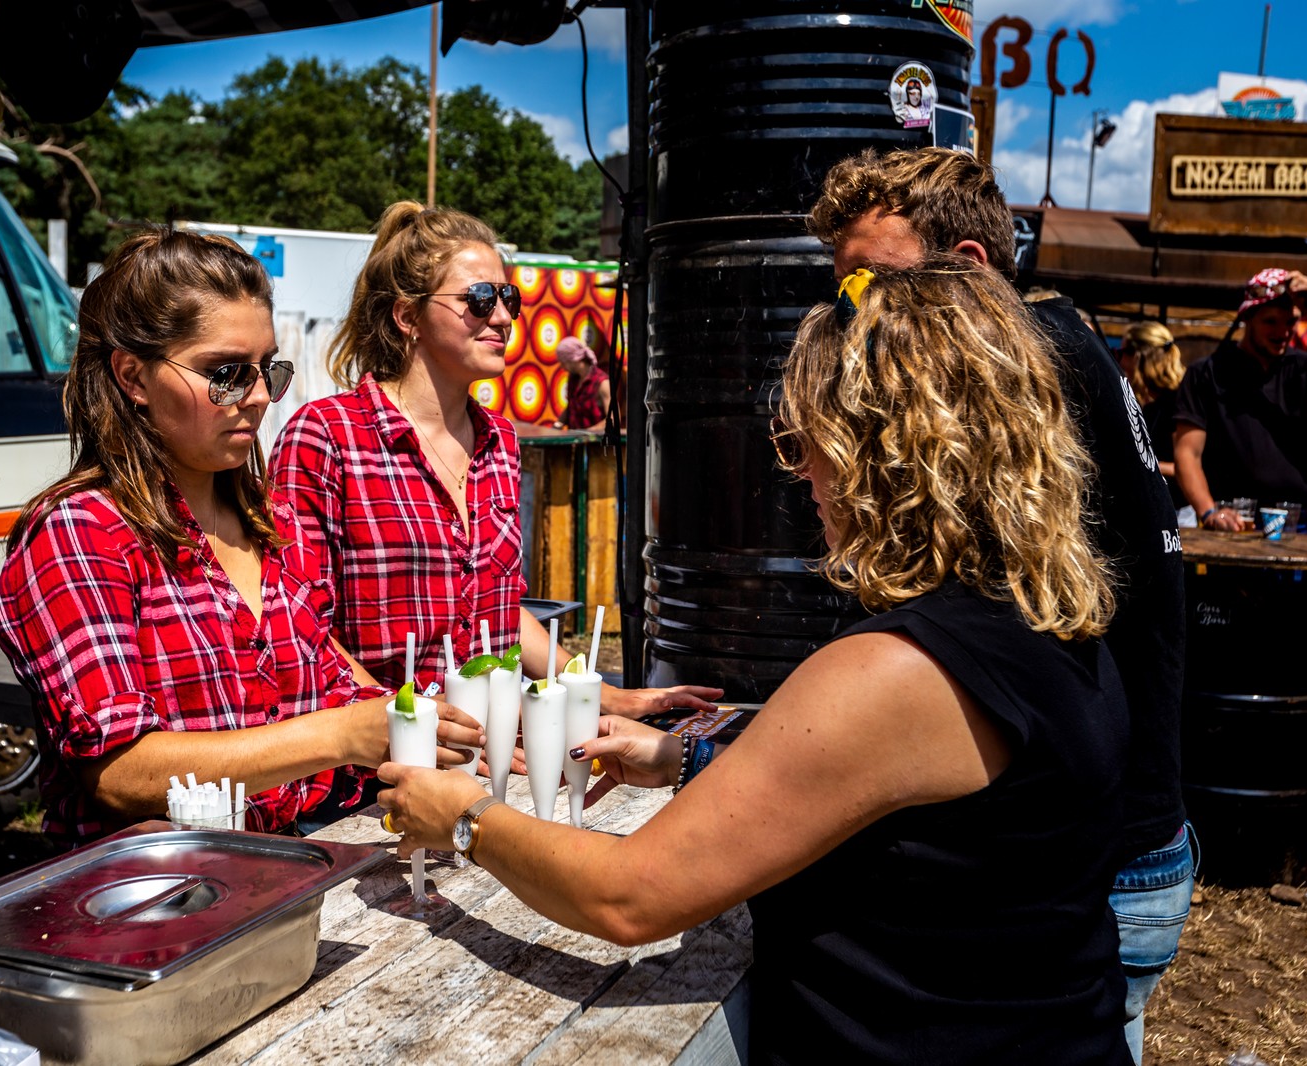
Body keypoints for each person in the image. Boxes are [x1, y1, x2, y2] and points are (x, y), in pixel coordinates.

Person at [379, 261, 1133, 1064]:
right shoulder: (1045, 615)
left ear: (883, 449)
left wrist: (461, 816)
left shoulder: (899, 668)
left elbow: (627, 894)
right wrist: (686, 758)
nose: (799, 469)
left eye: (806, 439)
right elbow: (908, 823)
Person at [806, 146, 1189, 1062]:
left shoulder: (1030, 358)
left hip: (1105, 853)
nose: (854, 315)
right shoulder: (1065, 339)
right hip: (1129, 833)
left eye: (870, 285)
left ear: (969, 269)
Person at [0, 229, 483, 842]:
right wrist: (341, 735)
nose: (256, 397)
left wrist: (427, 727)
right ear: (133, 378)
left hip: (289, 866)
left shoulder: (271, 520)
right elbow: (121, 771)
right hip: (153, 900)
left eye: (266, 371)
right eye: (224, 373)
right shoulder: (79, 534)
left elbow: (324, 670)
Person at [270, 202, 720, 716]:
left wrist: (603, 694)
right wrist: (409, 723)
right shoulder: (328, 436)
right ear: (407, 315)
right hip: (372, 771)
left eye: (508, 296)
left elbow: (501, 612)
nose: (503, 317)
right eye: (480, 299)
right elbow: (300, 624)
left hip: (488, 748)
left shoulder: (498, 440)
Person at [1174, 267, 1307, 533]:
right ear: (1248, 318)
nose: (1282, 331)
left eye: (1290, 322)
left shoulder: (1304, 367)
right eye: (1271, 321)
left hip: (1301, 525)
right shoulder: (1207, 373)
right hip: (1238, 523)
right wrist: (1209, 512)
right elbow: (1187, 452)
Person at [1122, 320, 1189, 516]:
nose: (1119, 361)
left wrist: (1143, 465)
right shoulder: (1143, 402)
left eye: (1122, 353)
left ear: (1140, 357)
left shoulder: (1179, 401)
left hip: (1177, 512)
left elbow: (1185, 467)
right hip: (1148, 509)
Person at [555, 336, 610, 431]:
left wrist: (587, 433)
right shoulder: (573, 379)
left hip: (594, 444)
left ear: (573, 359)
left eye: (563, 363)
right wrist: (557, 425)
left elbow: (612, 420)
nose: (562, 367)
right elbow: (572, 407)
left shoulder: (602, 383)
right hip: (575, 443)